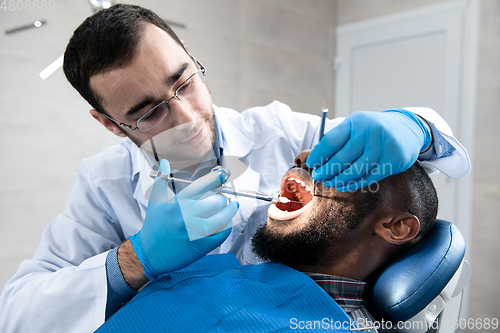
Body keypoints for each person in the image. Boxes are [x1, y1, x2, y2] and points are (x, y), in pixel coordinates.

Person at [0, 4, 469, 333]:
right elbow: (16, 314)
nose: (185, 118)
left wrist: (416, 127)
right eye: (148, 113)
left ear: (190, 57)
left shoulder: (278, 130)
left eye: (184, 82)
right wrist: (133, 261)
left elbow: (406, 173)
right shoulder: (104, 187)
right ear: (110, 124)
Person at [95, 150, 438, 333]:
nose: (304, 157)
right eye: (312, 157)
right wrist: (135, 259)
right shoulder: (213, 268)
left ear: (396, 227)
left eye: (344, 165)